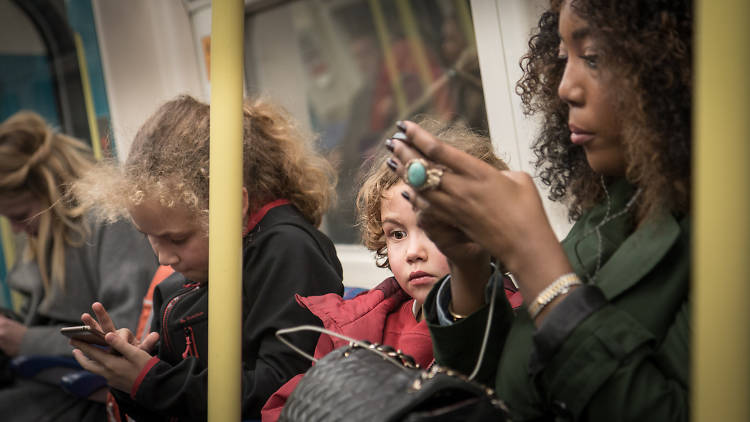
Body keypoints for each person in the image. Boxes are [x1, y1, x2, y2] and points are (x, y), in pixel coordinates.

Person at [387, 0, 691, 420]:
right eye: (564, 59)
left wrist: (530, 254)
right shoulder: (612, 213)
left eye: (594, 57)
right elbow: (495, 398)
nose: (565, 87)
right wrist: (469, 270)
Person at [68, 95, 345, 421]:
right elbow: (168, 404)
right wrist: (130, 374)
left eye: (177, 238)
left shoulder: (288, 251)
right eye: (149, 237)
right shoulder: (175, 288)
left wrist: (153, 381)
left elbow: (284, 390)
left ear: (233, 205)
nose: (163, 258)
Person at [261, 120, 521, 421]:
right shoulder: (355, 325)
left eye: (436, 229)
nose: (413, 252)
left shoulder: (515, 324)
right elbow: (287, 408)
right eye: (397, 234)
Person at [0, 111, 157, 422]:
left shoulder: (108, 221)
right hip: (49, 376)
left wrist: (26, 340)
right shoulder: (48, 233)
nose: (16, 230)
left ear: (46, 192)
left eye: (19, 216)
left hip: (89, 388)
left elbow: (126, 331)